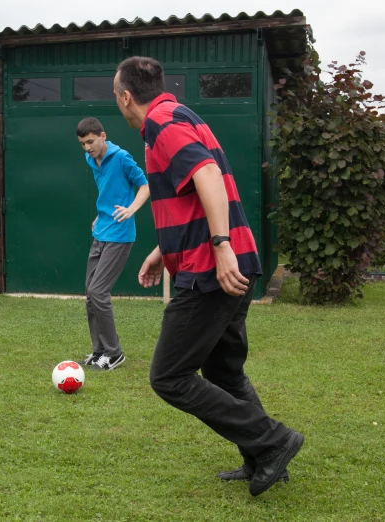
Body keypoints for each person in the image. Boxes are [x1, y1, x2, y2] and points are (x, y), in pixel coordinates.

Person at [113, 56, 303, 496]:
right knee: (224, 371)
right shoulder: (180, 115)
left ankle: (275, 441)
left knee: (169, 376)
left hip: (211, 270)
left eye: (115, 96)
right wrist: (164, 250)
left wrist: (220, 247)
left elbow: (207, 174)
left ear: (125, 96)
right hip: (232, 261)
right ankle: (264, 457)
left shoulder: (162, 122)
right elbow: (194, 195)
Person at [75, 117, 150, 371]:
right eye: (83, 144)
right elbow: (108, 191)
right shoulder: (90, 159)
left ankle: (115, 353)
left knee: (98, 291)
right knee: (90, 295)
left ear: (103, 135)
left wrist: (131, 209)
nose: (87, 148)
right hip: (101, 231)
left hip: (119, 234)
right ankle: (99, 352)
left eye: (91, 142)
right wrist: (101, 214)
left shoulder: (122, 158)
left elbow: (145, 185)